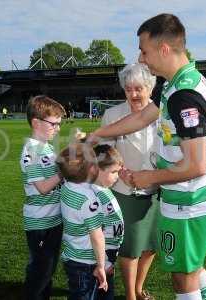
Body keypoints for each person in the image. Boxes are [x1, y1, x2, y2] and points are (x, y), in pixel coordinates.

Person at [91, 14, 206, 300]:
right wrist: (98, 134)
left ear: (164, 49)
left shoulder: (184, 94)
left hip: (191, 201)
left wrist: (146, 177)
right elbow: (141, 118)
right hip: (202, 195)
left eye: (144, 50)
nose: (141, 58)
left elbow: (196, 164)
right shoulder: (176, 83)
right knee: (194, 267)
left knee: (183, 278)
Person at [100, 63, 158, 300]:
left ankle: (138, 288)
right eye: (128, 89)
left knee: (150, 246)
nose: (133, 94)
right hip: (125, 191)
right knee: (131, 248)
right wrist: (122, 172)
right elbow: (105, 152)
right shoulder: (113, 115)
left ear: (150, 88)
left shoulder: (163, 113)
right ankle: (130, 296)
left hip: (158, 191)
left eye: (139, 89)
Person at [19, 95, 65, 300]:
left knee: (47, 269)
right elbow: (43, 187)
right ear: (36, 122)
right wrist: (66, 170)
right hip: (40, 223)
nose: (58, 129)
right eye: (54, 124)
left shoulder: (46, 147)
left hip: (53, 219)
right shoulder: (32, 151)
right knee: (41, 271)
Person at [57, 143, 108, 300]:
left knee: (77, 293)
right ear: (92, 169)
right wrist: (101, 266)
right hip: (86, 261)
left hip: (72, 255)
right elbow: (97, 236)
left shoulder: (66, 186)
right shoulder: (87, 199)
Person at [92, 144, 125, 300]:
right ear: (97, 170)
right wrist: (104, 262)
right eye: (113, 172)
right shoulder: (94, 196)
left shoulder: (103, 189)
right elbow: (92, 233)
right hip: (101, 255)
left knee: (105, 292)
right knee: (102, 293)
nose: (117, 176)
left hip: (110, 252)